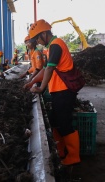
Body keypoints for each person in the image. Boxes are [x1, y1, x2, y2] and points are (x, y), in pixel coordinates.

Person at [24, 19, 80, 166]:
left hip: (64, 92)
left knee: (65, 123)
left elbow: (49, 69)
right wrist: (31, 82)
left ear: (44, 33)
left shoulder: (56, 45)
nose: (37, 42)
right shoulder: (50, 48)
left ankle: (74, 157)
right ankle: (60, 151)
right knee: (55, 121)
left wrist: (41, 88)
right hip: (58, 91)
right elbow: (44, 69)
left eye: (37, 38)